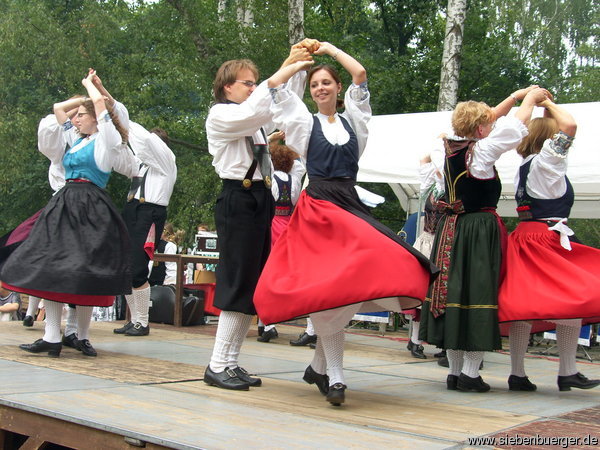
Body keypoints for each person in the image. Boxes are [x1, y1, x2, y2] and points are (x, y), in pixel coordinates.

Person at [254, 41, 436, 406]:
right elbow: (274, 87)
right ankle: (334, 376)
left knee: (361, 278)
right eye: (314, 85)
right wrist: (296, 62)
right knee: (329, 291)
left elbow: (361, 75)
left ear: (338, 89)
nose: (320, 88)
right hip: (319, 210)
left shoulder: (356, 122)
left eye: (326, 83)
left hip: (348, 206)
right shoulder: (305, 124)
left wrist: (330, 49)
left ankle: (320, 367)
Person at [418, 86, 550, 392]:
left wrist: (515, 95)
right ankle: (470, 374)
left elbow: (489, 118)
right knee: (478, 293)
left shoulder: (445, 146)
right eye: (487, 125)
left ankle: (454, 373)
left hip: (450, 229)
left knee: (454, 296)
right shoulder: (482, 152)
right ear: (480, 129)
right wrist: (531, 99)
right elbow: (517, 128)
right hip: (477, 230)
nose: (492, 126)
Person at [203, 42, 315, 391]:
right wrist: (287, 67)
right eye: (247, 82)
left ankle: (230, 362)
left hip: (257, 200)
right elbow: (261, 103)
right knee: (238, 280)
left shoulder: (253, 117)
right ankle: (218, 363)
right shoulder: (221, 114)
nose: (253, 87)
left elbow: (277, 99)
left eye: (254, 82)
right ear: (227, 87)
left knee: (251, 283)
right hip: (238, 198)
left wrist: (295, 65)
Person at [1, 69, 133, 358]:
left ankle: (81, 336)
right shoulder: (78, 140)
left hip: (91, 208)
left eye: (81, 116)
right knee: (51, 265)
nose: (75, 119)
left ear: (97, 119)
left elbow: (102, 108)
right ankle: (51, 336)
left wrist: (92, 86)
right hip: (65, 204)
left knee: (85, 271)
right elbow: (58, 110)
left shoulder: (107, 139)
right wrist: (80, 100)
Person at [498, 99, 600, 392]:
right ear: (548, 140)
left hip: (524, 237)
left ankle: (518, 373)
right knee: (573, 296)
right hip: (546, 238)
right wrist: (547, 103)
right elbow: (570, 126)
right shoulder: (548, 162)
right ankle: (567, 370)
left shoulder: (525, 165)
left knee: (523, 303)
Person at [112, 121, 177, 337]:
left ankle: (143, 321)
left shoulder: (167, 162)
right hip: (132, 209)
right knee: (125, 267)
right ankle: (134, 319)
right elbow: (121, 160)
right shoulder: (140, 165)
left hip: (150, 212)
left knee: (138, 266)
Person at [257, 132, 306, 343]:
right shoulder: (294, 179)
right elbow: (299, 163)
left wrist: (271, 140)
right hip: (288, 225)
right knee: (280, 273)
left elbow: (260, 158)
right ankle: (264, 323)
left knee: (266, 273)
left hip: (271, 224)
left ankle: (268, 324)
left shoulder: (270, 177)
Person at [405, 147, 445, 359]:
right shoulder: (430, 185)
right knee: (422, 295)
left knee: (443, 295)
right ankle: (414, 340)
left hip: (446, 245)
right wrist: (441, 145)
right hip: (428, 244)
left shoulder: (451, 186)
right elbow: (424, 158)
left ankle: (444, 342)